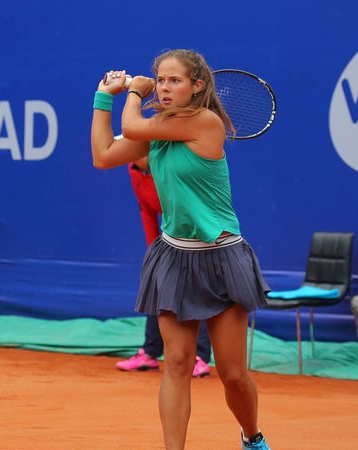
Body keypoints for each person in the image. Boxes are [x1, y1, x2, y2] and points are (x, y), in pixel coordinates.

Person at [91, 49, 271, 450]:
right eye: (161, 79)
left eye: (174, 80)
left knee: (233, 374)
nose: (165, 87)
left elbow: (133, 127)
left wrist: (135, 92)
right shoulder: (156, 132)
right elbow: (103, 156)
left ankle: (251, 435)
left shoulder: (206, 123)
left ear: (197, 87)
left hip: (222, 259)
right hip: (174, 258)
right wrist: (104, 97)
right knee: (175, 363)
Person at [117, 157, 212, 378]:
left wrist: (187, 245)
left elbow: (187, 208)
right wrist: (153, 250)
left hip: (196, 233)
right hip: (170, 235)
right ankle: (150, 354)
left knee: (195, 295)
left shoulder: (168, 169)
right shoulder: (134, 172)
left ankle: (200, 358)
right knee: (155, 286)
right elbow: (146, 210)